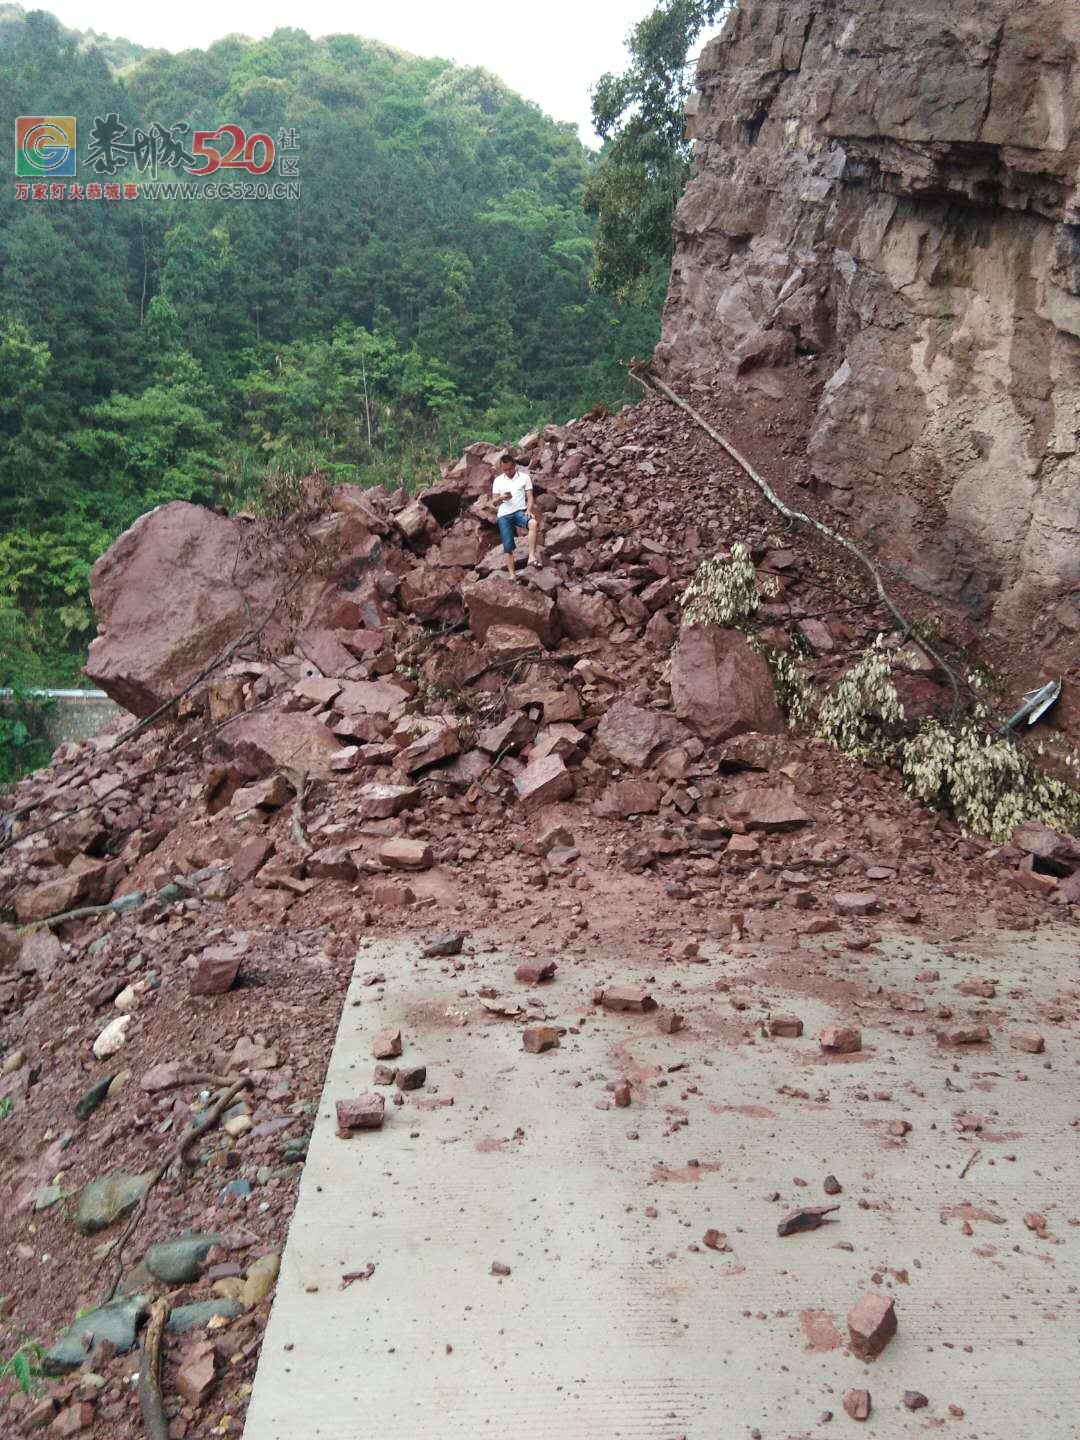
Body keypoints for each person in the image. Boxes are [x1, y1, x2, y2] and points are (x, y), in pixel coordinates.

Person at [492, 451, 541, 579]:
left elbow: (530, 496)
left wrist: (529, 510)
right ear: (501, 468)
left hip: (519, 511)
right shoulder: (498, 481)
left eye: (509, 469)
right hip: (504, 515)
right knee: (508, 546)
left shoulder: (524, 477)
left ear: (514, 466)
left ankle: (531, 556)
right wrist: (501, 498)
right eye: (505, 470)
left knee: (533, 523)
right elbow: (494, 502)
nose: (507, 472)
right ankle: (512, 575)